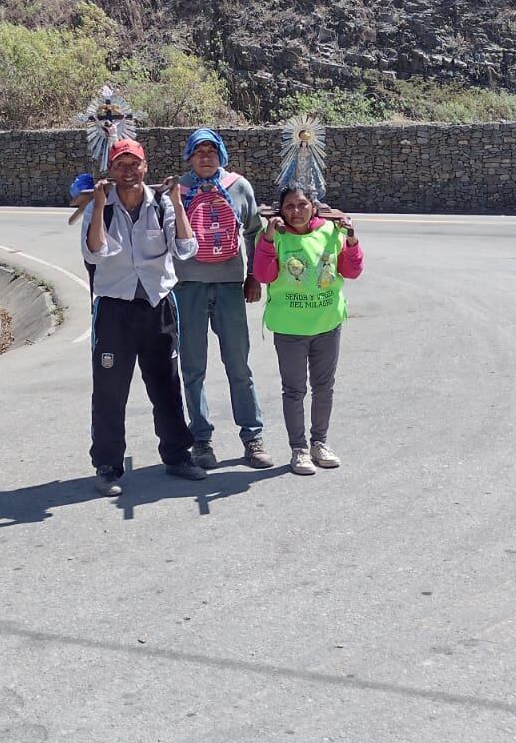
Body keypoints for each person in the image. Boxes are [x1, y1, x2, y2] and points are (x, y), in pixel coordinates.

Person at [81, 138, 209, 496]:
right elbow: (95, 253)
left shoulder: (161, 206)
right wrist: (100, 204)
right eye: (120, 164)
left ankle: (177, 455)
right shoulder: (100, 208)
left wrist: (178, 205)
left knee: (166, 384)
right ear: (110, 170)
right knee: (109, 390)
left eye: (133, 163)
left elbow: (186, 249)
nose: (127, 170)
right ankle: (107, 465)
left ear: (145, 167)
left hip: (158, 307)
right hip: (114, 310)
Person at [174, 127, 271, 470]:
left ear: (221, 155)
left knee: (239, 366)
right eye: (198, 151)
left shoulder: (238, 186)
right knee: (193, 368)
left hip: (230, 286)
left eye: (211, 151)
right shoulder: (177, 190)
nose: (205, 157)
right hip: (188, 288)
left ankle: (252, 436)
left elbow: (254, 232)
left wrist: (253, 276)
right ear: (188, 156)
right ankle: (201, 440)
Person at [252, 185, 364, 475]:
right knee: (294, 389)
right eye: (289, 206)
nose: (296, 211)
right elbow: (263, 274)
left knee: (324, 387)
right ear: (281, 210)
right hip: (290, 329)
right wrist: (267, 238)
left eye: (302, 204)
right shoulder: (276, 237)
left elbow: (352, 271)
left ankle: (320, 443)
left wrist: (351, 239)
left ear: (314, 207)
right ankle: (299, 449)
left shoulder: (332, 232)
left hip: (326, 324)